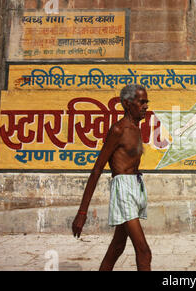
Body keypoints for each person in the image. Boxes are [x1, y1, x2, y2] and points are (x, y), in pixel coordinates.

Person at [71, 84, 151, 271]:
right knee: (144, 251)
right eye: (141, 102)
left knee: (117, 247)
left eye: (146, 101)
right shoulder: (118, 130)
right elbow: (97, 169)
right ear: (127, 103)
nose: (146, 106)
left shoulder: (136, 128)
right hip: (123, 190)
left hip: (135, 186)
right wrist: (82, 213)